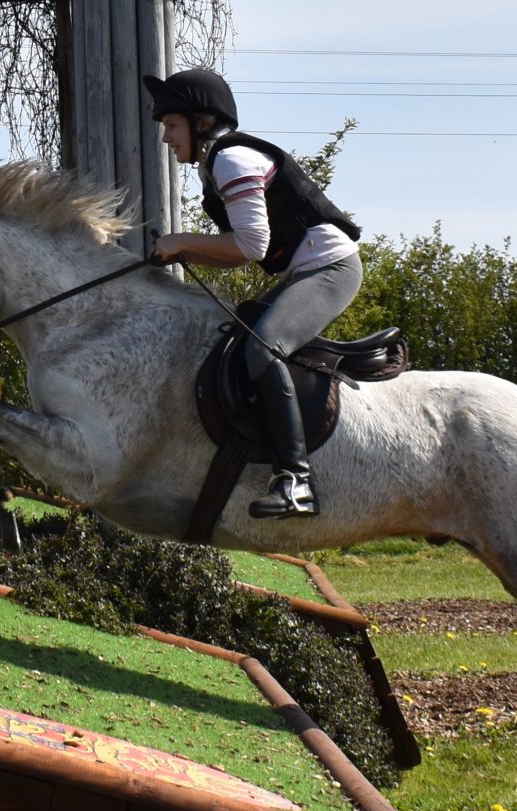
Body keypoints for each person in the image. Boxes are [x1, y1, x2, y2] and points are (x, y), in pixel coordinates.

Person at [141, 67, 363, 520]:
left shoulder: (232, 160)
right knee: (233, 341)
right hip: (305, 270)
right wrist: (181, 255)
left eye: (171, 124)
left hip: (331, 268)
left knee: (263, 348)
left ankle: (296, 482)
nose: (165, 137)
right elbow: (238, 254)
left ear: (201, 122)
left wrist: (181, 241)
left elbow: (250, 246)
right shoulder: (213, 167)